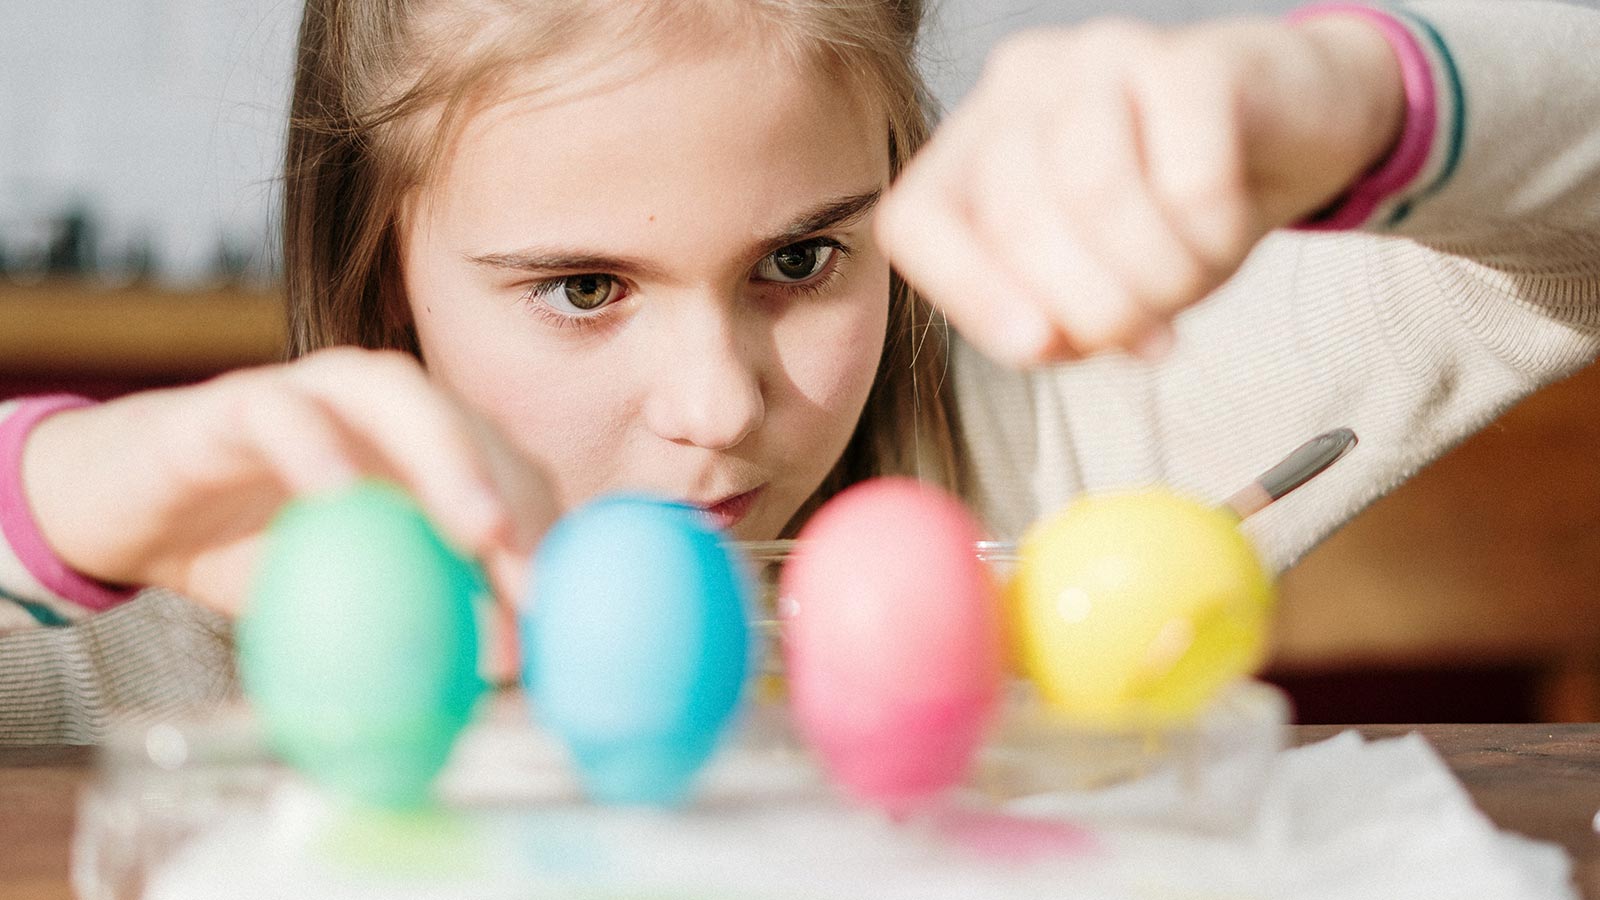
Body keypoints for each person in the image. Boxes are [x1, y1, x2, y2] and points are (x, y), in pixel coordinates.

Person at [2, 0, 1597, 742]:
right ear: (383, 271)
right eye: (579, 287)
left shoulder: (1057, 456)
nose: (719, 407)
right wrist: (65, 502)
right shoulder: (216, 619)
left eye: (801, 261)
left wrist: (1346, 88)